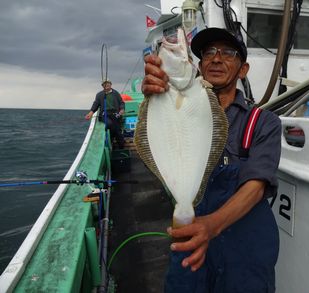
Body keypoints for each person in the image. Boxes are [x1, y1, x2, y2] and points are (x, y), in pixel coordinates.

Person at [142, 27, 282, 293]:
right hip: (191, 251)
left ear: (243, 70)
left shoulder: (264, 122)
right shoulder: (174, 101)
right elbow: (158, 148)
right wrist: (154, 102)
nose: (216, 58)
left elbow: (257, 186)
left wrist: (211, 225)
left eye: (228, 52)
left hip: (245, 258)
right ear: (199, 65)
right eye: (209, 52)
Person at [85, 79, 125, 149]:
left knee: (117, 129)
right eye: (104, 84)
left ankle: (121, 146)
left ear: (111, 84)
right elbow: (96, 104)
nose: (106, 85)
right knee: (110, 124)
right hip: (104, 114)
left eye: (108, 83)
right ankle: (111, 142)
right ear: (102, 86)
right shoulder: (99, 95)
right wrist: (90, 113)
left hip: (115, 113)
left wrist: (122, 109)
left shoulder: (116, 93)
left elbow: (121, 102)